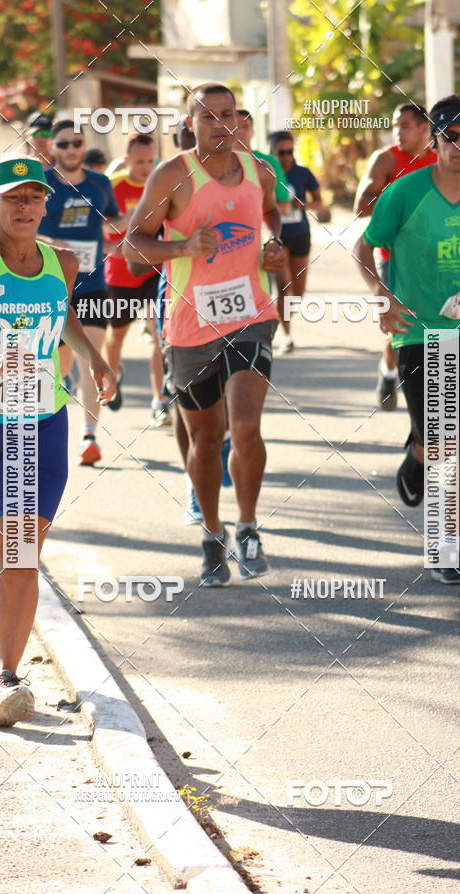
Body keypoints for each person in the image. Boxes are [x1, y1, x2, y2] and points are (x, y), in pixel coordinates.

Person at [0, 154, 115, 726]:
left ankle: (6, 681)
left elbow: (62, 318)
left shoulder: (61, 260)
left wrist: (93, 357)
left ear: (45, 203)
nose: (25, 207)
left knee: (19, 554)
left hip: (36, 423)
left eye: (34, 197)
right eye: (13, 198)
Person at [354, 94, 460, 584]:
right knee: (442, 441)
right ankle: (419, 452)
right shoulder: (406, 193)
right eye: (449, 137)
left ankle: (445, 545)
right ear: (434, 143)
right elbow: (363, 246)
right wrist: (382, 296)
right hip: (421, 333)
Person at [124, 82, 284, 586]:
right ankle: (212, 535)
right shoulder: (173, 176)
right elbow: (133, 246)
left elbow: (272, 210)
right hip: (190, 323)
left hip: (251, 315)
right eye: (209, 115)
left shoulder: (259, 168)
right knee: (207, 438)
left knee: (245, 425)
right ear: (189, 123)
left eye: (229, 114)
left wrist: (275, 241)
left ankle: (249, 527)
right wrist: (185, 248)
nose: (222, 123)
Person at [38, 119, 131, 465]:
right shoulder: (41, 184)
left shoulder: (100, 183)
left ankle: (89, 436)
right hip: (48, 287)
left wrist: (138, 218)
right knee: (59, 364)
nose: (71, 150)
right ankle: (57, 397)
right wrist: (51, 242)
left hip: (91, 285)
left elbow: (112, 221)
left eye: (76, 143)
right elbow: (16, 227)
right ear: (52, 149)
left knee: (91, 358)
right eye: (63, 145)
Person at [354, 102, 437, 411]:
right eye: (395, 125)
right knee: (400, 323)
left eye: (405, 126)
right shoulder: (386, 159)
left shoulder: (439, 161)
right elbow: (360, 205)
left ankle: (431, 391)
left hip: (434, 258)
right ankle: (390, 371)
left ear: (424, 129)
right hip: (394, 257)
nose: (397, 132)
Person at [103, 133, 169, 423]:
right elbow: (101, 226)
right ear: (127, 160)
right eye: (139, 161)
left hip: (156, 271)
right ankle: (113, 375)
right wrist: (122, 228)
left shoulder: (164, 183)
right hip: (121, 274)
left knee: (159, 336)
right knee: (117, 335)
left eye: (150, 161)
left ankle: (160, 400)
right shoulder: (113, 185)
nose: (145, 167)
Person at [270, 130, 323, 353]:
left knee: (298, 291)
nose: (286, 157)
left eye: (290, 152)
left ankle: (286, 324)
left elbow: (320, 201)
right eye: (281, 152)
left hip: (300, 233)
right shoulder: (266, 172)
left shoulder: (303, 173)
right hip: (277, 236)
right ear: (272, 152)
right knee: (283, 287)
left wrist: (305, 205)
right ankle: (287, 335)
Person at [234, 110, 291, 215]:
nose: (240, 131)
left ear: (252, 131)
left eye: (245, 126)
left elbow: (284, 206)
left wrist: (251, 213)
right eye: (235, 127)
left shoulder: (269, 162)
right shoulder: (216, 163)